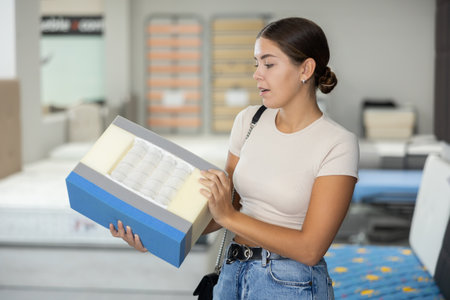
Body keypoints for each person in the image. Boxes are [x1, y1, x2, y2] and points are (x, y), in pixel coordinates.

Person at [110, 17, 359, 299]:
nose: (257, 74)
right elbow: (222, 208)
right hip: (232, 273)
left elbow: (310, 249)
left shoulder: (338, 143)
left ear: (306, 68)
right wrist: (156, 237)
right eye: (256, 64)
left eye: (269, 63)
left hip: (290, 283)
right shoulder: (249, 121)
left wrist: (228, 216)